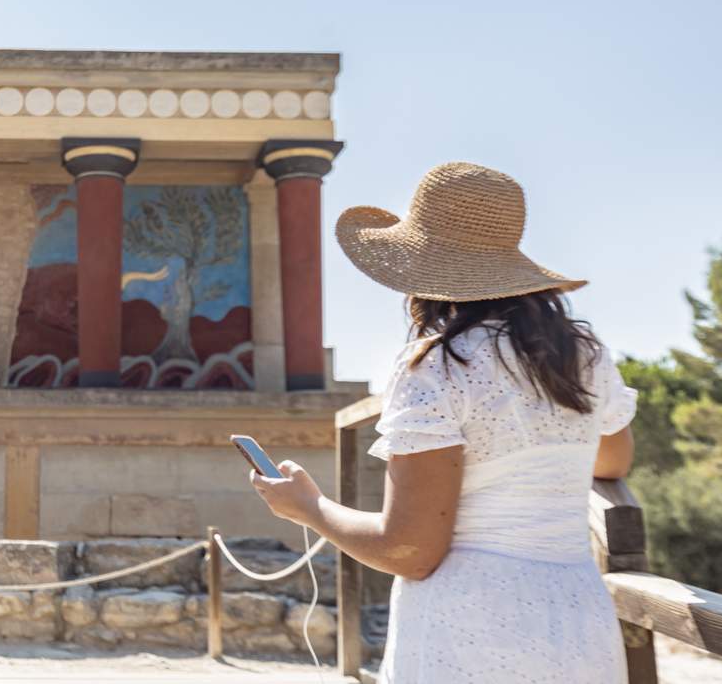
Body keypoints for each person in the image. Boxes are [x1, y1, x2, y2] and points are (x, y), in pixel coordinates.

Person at [251, 162, 636, 683]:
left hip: (468, 633)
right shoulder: (583, 355)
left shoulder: (438, 365)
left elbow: (408, 551)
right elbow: (613, 459)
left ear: (422, 270)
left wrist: (310, 507)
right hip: (578, 625)